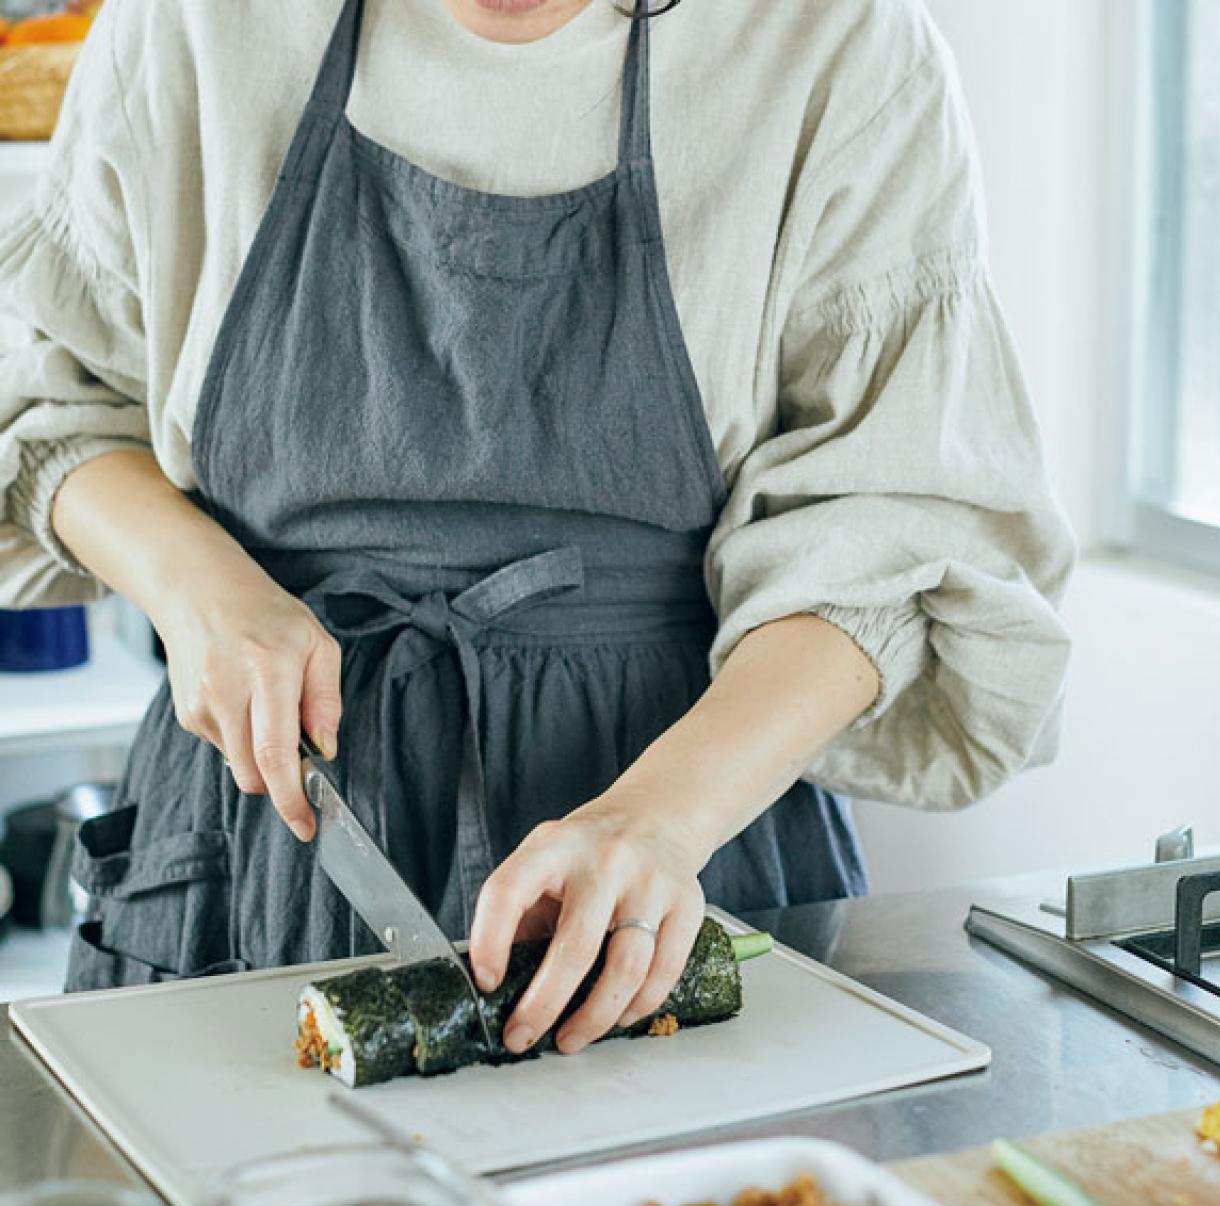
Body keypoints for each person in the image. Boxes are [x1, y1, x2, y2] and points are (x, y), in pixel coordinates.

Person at [0, 0, 1073, 1057]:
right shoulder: (191, 24)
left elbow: (891, 533)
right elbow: (44, 400)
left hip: (683, 844)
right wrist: (198, 589)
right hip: (256, 837)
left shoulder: (836, 45)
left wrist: (658, 818)